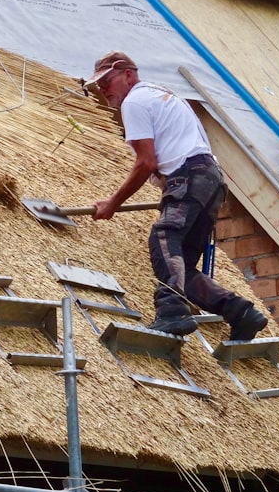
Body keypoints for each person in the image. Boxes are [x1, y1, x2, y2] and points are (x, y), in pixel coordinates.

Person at [85, 51, 268, 340]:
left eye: (107, 81)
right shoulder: (161, 95)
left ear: (128, 74)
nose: (103, 90)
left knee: (163, 236)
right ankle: (241, 312)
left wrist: (112, 203)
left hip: (190, 176)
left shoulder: (134, 101)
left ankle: (172, 311)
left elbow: (146, 162)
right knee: (180, 263)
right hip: (210, 179)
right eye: (98, 85)